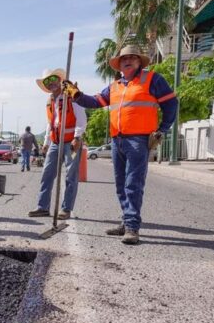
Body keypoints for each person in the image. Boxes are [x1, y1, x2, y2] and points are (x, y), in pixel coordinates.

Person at [64, 45, 178, 244]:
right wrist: (76, 94)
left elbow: (171, 103)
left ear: (139, 62)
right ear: (119, 65)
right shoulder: (115, 86)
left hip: (139, 140)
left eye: (133, 58)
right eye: (124, 58)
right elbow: (95, 102)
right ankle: (126, 222)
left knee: (133, 183)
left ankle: (132, 227)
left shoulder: (153, 79)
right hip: (117, 140)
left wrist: (163, 128)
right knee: (120, 185)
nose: (128, 60)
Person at [28, 68, 86, 221]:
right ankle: (42, 207)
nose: (51, 83)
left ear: (59, 79)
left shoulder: (71, 95)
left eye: (53, 79)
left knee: (71, 175)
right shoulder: (50, 101)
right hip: (55, 142)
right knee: (47, 173)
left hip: (71, 142)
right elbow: (50, 123)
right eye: (47, 81)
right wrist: (46, 142)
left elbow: (81, 118)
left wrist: (77, 137)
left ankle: (66, 209)